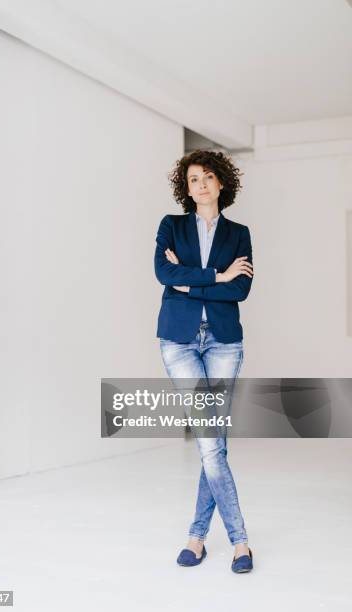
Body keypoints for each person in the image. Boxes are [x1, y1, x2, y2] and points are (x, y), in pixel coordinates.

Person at [154, 149, 254, 573]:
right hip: (178, 341)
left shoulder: (240, 233)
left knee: (214, 443)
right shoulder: (171, 226)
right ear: (187, 188)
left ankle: (197, 538)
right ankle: (240, 542)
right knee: (212, 442)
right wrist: (218, 276)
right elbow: (164, 274)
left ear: (221, 183)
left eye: (208, 177)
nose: (201, 184)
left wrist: (190, 283)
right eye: (193, 179)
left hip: (223, 343)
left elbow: (241, 291)